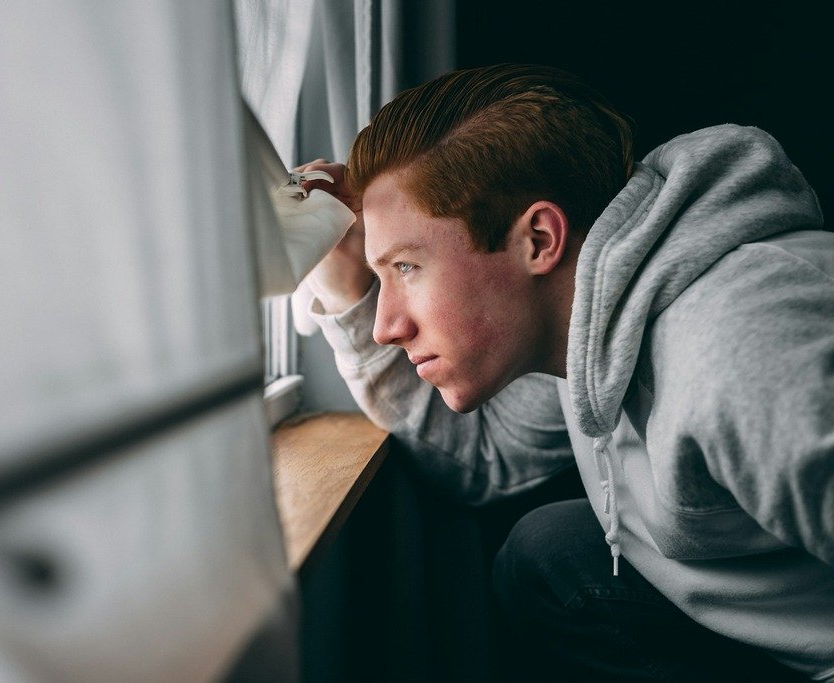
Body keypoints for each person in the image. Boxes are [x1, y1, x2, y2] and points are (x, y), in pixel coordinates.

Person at [298, 64, 833, 681]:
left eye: (409, 268)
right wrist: (346, 298)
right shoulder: (593, 320)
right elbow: (488, 456)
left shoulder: (742, 354)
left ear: (539, 239)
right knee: (550, 552)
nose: (388, 324)